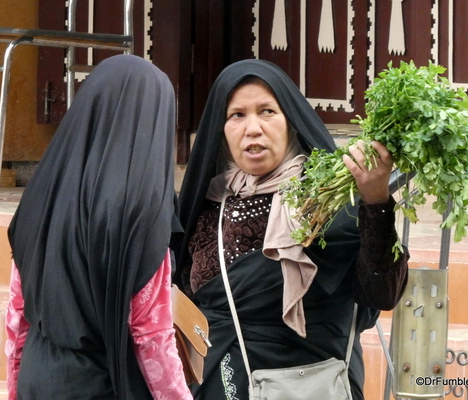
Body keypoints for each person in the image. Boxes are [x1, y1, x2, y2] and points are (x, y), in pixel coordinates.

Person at [173, 59, 409, 400]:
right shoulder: (206, 206)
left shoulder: (329, 203)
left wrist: (375, 201)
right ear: (220, 130)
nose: (252, 128)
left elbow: (382, 294)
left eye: (267, 111)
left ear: (291, 123)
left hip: (313, 384)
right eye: (236, 115)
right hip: (221, 385)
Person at [5, 54, 192, 400]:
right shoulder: (141, 214)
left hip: (38, 374)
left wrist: (16, 385)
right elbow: (151, 334)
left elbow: (18, 312)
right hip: (102, 384)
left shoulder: (41, 197)